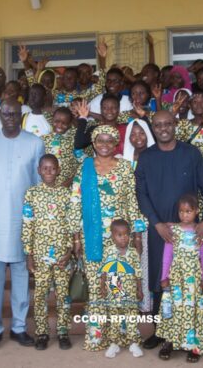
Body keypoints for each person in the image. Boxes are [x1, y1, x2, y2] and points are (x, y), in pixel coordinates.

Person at [135, 110, 203, 349]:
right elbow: (141, 192)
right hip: (161, 229)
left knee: (189, 280)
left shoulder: (191, 153)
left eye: (167, 123)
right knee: (162, 276)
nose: (163, 128)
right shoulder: (147, 157)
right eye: (157, 124)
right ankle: (162, 331)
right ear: (153, 127)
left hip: (190, 230)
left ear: (175, 125)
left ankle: (189, 330)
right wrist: (156, 223)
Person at [0, 99, 45, 350]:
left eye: (15, 114)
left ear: (21, 115)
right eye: (6, 114)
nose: (10, 118)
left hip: (23, 219)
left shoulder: (35, 143)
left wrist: (37, 220)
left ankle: (18, 327)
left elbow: (38, 184)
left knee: (20, 270)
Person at [68, 125, 142, 351]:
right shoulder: (85, 168)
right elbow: (75, 203)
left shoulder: (126, 168)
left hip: (119, 240)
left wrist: (137, 235)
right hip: (92, 239)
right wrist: (76, 239)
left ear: (116, 144)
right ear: (93, 142)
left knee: (118, 288)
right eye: (100, 140)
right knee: (97, 287)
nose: (104, 144)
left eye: (110, 141)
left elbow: (132, 201)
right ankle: (97, 336)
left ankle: (120, 337)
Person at [21, 154, 74, 351]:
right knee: (40, 294)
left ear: (58, 170)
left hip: (62, 255)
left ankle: (63, 332)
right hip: (40, 255)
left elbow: (71, 223)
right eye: (45, 168)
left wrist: (69, 251)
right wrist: (28, 253)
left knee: (63, 294)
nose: (49, 172)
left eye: (53, 168)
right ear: (39, 170)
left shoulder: (65, 194)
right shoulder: (32, 193)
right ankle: (42, 332)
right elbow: (27, 224)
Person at [156, 194, 203, 362]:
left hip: (194, 280)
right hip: (175, 278)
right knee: (173, 308)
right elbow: (167, 256)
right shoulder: (172, 230)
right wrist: (164, 276)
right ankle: (169, 342)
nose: (184, 215)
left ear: (196, 212)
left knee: (193, 309)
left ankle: (194, 346)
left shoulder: (200, 231)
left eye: (188, 211)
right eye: (181, 211)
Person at [97, 220, 144, 359]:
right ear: (112, 236)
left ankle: (133, 343)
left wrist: (139, 289)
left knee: (131, 317)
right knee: (115, 317)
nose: (123, 237)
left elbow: (138, 273)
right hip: (114, 289)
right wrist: (102, 286)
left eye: (126, 234)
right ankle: (114, 343)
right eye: (119, 235)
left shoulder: (134, 253)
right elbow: (104, 271)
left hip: (130, 291)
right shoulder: (109, 251)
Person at [122, 119, 156, 312]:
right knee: (131, 260)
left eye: (141, 132)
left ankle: (147, 305)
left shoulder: (157, 157)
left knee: (148, 261)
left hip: (151, 217)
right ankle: (129, 305)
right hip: (129, 219)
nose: (138, 137)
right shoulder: (123, 160)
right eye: (133, 134)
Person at [41, 107, 81, 188]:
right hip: (48, 186)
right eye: (57, 121)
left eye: (64, 123)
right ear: (52, 120)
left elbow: (81, 162)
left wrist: (71, 180)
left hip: (69, 185)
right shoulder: (43, 139)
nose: (59, 125)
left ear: (70, 124)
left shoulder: (74, 138)